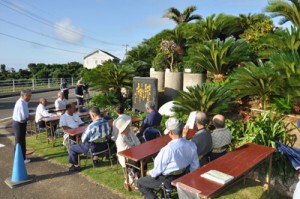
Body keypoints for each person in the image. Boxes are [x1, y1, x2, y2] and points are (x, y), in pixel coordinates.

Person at [137, 118, 199, 199]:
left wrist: (149, 172)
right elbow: (195, 166)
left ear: (171, 132)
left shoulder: (168, 149)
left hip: (167, 180)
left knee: (140, 183)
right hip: (182, 177)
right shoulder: (191, 145)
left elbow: (157, 171)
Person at [68, 107, 111, 172]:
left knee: (72, 148)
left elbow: (83, 139)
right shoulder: (107, 123)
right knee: (95, 141)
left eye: (90, 115)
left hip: (93, 148)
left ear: (93, 115)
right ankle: (95, 159)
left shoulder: (91, 126)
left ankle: (76, 166)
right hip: (105, 146)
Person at [115, 116, 142, 190]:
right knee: (135, 161)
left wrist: (138, 148)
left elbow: (137, 141)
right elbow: (126, 152)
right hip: (126, 157)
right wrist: (136, 148)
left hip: (135, 153)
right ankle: (133, 179)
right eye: (127, 126)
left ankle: (140, 175)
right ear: (123, 129)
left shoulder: (130, 132)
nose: (129, 127)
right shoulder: (120, 139)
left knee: (143, 158)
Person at [12, 89, 34, 164]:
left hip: (21, 123)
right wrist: (31, 117)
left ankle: (22, 158)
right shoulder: (21, 103)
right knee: (19, 142)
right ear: (23, 95)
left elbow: (25, 115)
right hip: (18, 124)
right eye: (28, 96)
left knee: (22, 141)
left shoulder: (24, 102)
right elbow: (22, 118)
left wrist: (29, 116)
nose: (29, 97)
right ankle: (19, 159)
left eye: (30, 96)